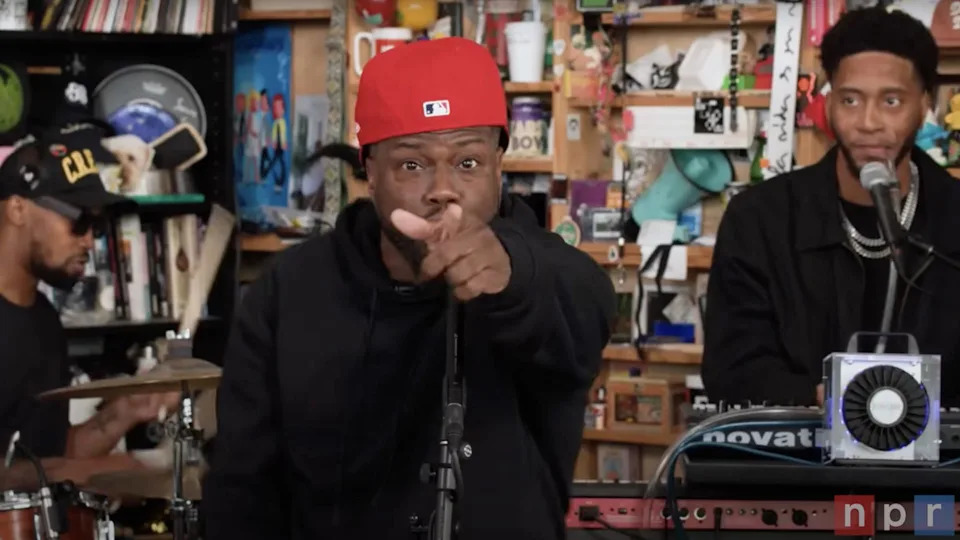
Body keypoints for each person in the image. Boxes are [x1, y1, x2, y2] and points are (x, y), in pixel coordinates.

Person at [203, 37, 617, 539]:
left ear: (498, 162)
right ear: (370, 171)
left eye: (467, 163)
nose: (443, 188)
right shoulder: (287, 293)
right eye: (412, 165)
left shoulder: (540, 270)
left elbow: (585, 301)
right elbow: (241, 493)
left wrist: (511, 275)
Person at [701, 8, 960, 406]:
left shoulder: (953, 217)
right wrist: (830, 401)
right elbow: (731, 368)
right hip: (801, 460)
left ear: (926, 103)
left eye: (891, 101)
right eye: (850, 100)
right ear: (828, 103)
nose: (868, 122)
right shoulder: (760, 219)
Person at [0, 123, 178, 490]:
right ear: (18, 209)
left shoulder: (45, 323)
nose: (89, 240)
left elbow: (51, 450)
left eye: (96, 224)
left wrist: (126, 410)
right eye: (79, 220)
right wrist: (112, 468)